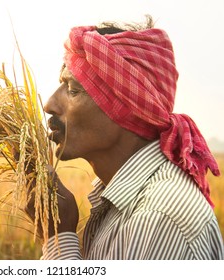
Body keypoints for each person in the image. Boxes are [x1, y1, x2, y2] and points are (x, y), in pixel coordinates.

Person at [25, 16, 224, 260]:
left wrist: (59, 235)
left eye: (74, 90)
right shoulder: (120, 201)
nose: (49, 105)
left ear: (127, 107)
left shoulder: (159, 218)